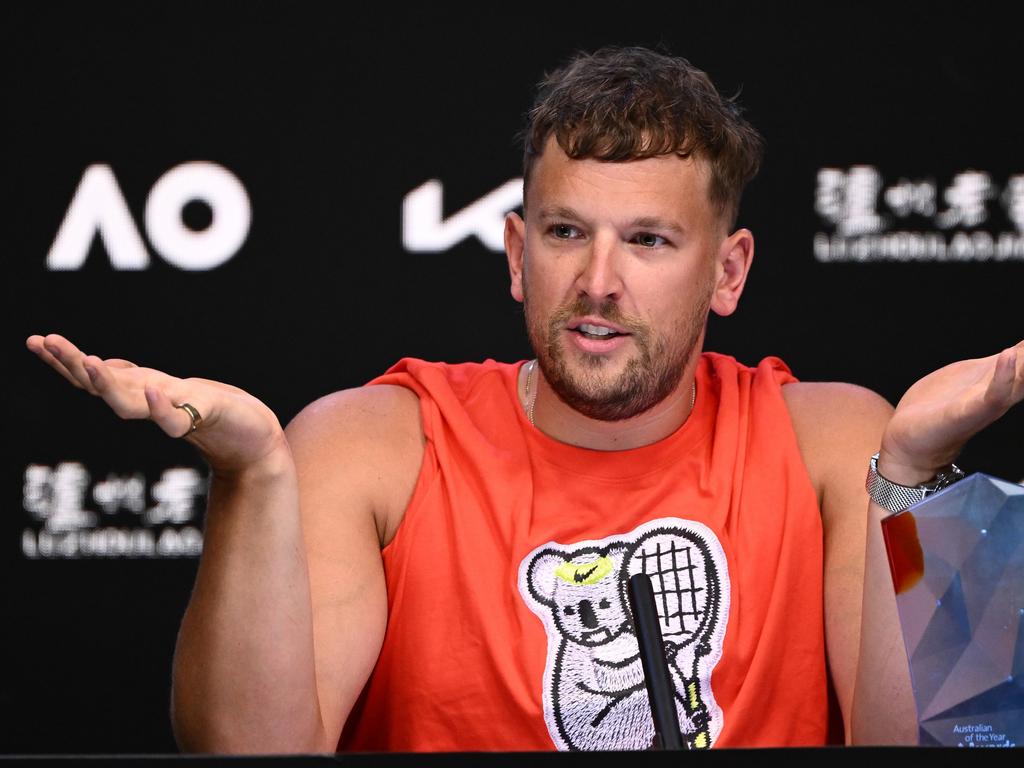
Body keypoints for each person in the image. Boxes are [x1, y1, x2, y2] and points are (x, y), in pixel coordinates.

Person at [26, 46, 1023, 752]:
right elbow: (246, 752)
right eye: (563, 234)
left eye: (647, 241)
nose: (598, 279)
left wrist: (907, 482)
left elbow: (936, 744)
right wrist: (253, 475)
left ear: (728, 271)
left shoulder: (835, 442)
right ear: (515, 255)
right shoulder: (374, 445)